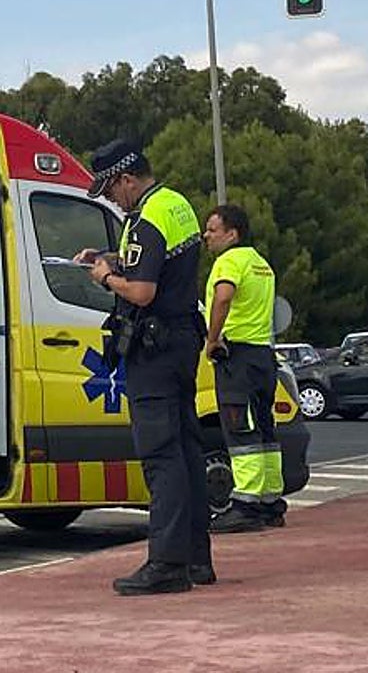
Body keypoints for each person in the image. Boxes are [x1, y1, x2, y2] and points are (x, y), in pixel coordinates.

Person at [79, 139, 213, 595]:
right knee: (187, 450)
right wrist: (112, 258)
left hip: (154, 348)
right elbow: (162, 267)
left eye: (111, 191)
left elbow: (141, 292)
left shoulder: (143, 219)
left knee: (161, 455)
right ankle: (196, 558)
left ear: (127, 179)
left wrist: (105, 277)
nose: (112, 200)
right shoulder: (176, 205)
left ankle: (167, 564)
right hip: (182, 341)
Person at [202, 204, 285, 533]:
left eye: (212, 229)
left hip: (236, 356)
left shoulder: (230, 261)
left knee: (240, 429)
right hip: (262, 355)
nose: (206, 235)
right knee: (265, 431)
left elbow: (223, 297)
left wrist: (211, 339)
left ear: (232, 234)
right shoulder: (261, 264)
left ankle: (245, 505)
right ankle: (270, 502)